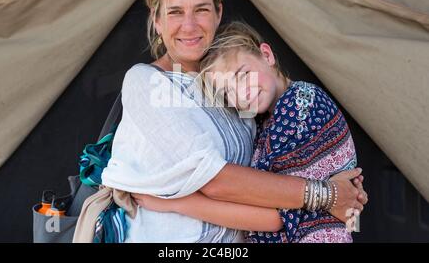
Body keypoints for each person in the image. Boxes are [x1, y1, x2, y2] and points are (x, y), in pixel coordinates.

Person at [101, 0, 367, 243]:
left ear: (218, 13)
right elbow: (215, 181)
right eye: (175, 11)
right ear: (157, 19)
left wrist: (342, 184)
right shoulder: (147, 82)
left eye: (201, 10)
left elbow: (276, 180)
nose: (189, 26)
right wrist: (327, 195)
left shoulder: (231, 91)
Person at [134, 22, 360, 243]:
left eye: (243, 75)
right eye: (227, 91)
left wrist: (174, 203)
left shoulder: (299, 107)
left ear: (267, 55)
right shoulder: (265, 120)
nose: (241, 94)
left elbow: (270, 215)